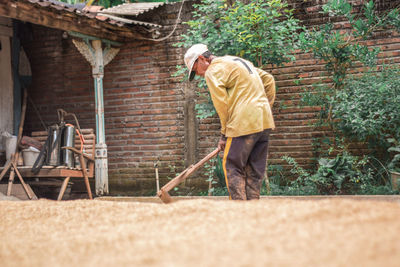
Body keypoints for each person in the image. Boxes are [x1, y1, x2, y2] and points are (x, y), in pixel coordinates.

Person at [184, 44, 276, 200]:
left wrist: (224, 135)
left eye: (195, 70)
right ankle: (253, 208)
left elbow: (222, 104)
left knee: (232, 165)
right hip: (264, 121)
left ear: (202, 59)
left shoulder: (212, 71)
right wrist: (263, 107)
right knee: (254, 168)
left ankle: (239, 209)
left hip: (243, 122)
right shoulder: (235, 61)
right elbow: (268, 80)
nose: (198, 74)